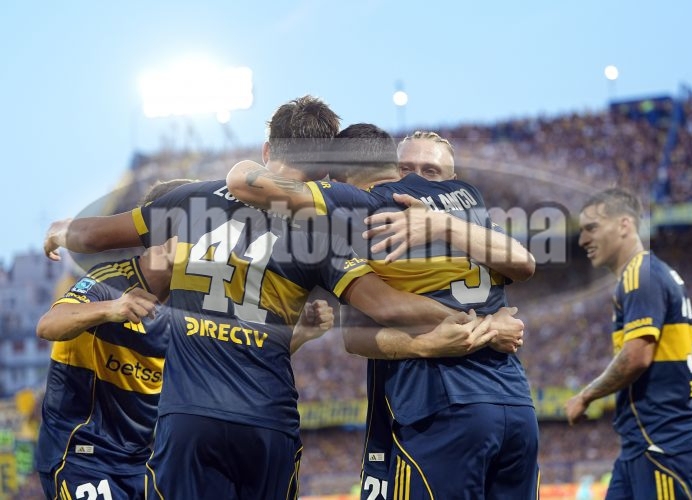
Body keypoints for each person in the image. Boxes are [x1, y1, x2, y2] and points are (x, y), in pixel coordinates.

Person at [43, 98, 495, 499]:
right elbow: (388, 307)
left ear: (267, 150)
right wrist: (477, 320)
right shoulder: (322, 230)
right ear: (324, 171)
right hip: (267, 421)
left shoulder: (191, 198)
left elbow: (94, 235)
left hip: (189, 420)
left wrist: (63, 230)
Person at [226, 125, 539, 499]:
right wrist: (489, 325)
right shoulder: (471, 201)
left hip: (439, 404)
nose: (414, 179)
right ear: (392, 163)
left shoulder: (370, 206)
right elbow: (525, 263)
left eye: (430, 170)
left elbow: (246, 183)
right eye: (406, 168)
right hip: (515, 403)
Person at [34, 179, 190, 500]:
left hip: (143, 465)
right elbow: (49, 325)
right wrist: (110, 309)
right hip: (82, 456)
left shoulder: (189, 305)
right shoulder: (110, 281)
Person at [565, 187, 692, 499]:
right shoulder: (657, 274)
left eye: (591, 228)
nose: (583, 240)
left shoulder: (640, 275)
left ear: (624, 225)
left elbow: (637, 357)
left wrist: (585, 396)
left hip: (661, 444)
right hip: (642, 445)